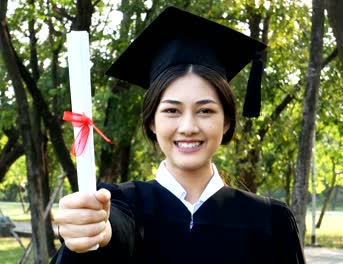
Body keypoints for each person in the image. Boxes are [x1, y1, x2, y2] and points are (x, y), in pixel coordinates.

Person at [51, 6, 305, 264]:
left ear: (227, 122)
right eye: (172, 110)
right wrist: (96, 232)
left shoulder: (271, 221)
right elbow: (118, 227)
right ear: (151, 121)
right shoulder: (123, 203)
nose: (188, 127)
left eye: (205, 110)